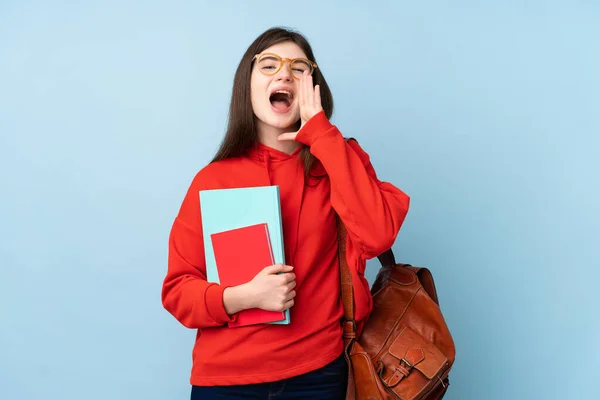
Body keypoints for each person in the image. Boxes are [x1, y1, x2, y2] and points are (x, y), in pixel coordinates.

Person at [161, 26, 410, 399]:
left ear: (314, 89)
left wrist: (323, 135)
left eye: (298, 67)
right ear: (246, 86)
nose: (284, 74)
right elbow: (178, 291)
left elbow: (377, 234)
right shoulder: (212, 180)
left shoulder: (338, 160)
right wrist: (244, 297)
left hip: (319, 375)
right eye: (269, 65)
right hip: (226, 382)